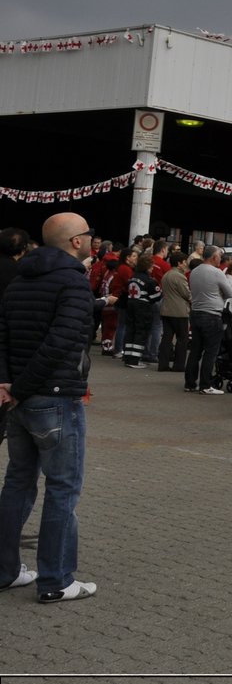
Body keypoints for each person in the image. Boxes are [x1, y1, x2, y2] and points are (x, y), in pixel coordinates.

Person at [0, 213, 99, 601]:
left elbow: (3, 336)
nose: (92, 239)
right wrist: (21, 386)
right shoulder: (73, 281)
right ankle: (56, 580)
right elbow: (63, 340)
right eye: (88, 234)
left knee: (18, 483)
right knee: (63, 489)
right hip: (54, 397)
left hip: (20, 400)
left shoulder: (20, 278)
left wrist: (9, 385)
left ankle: (6, 569)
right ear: (76, 242)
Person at [183, 246, 232, 395]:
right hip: (212, 315)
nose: (220, 259)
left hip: (196, 313)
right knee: (211, 351)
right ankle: (205, 385)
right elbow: (229, 292)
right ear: (213, 257)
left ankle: (190, 383)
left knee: (195, 351)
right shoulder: (217, 273)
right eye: (219, 256)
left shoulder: (194, 271)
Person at [156, 255, 191, 374]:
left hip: (166, 310)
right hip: (179, 312)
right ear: (179, 263)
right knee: (182, 339)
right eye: (184, 262)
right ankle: (179, 365)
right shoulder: (180, 277)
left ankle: (163, 363)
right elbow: (186, 294)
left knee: (167, 338)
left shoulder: (166, 275)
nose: (186, 264)